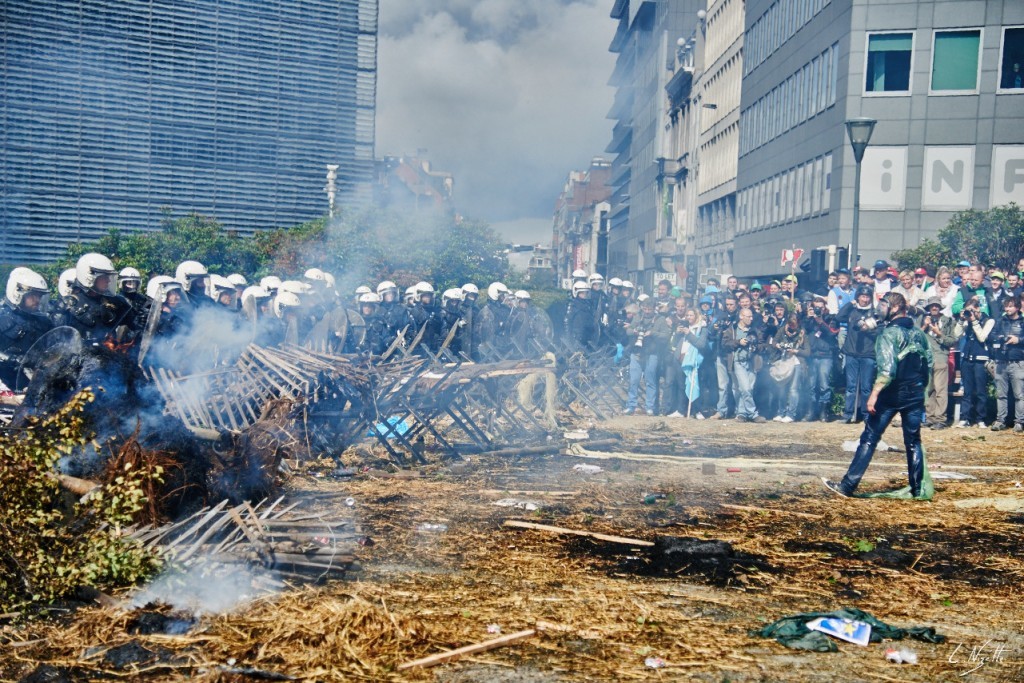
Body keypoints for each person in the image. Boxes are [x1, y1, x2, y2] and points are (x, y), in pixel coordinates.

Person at [823, 292, 932, 499]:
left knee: (869, 438)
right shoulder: (919, 333)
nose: (880, 309)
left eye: (884, 305)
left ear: (895, 308)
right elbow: (928, 364)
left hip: (892, 393)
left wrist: (873, 395)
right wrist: (921, 391)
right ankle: (918, 490)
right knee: (913, 441)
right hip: (915, 392)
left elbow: (887, 370)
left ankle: (847, 486)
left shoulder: (889, 334)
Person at [0, 268, 54, 391]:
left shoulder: (44, 321)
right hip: (6, 386)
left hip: (37, 385)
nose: (38, 300)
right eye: (33, 295)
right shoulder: (1, 317)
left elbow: (55, 344)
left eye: (40, 295)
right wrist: (11, 358)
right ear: (18, 292)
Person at [836, 285, 879, 423]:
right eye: (862, 296)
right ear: (858, 297)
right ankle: (848, 414)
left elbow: (880, 332)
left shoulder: (875, 313)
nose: (864, 299)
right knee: (851, 387)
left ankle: (866, 415)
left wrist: (869, 329)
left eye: (867, 297)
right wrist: (850, 304)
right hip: (851, 352)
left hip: (868, 353)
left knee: (866, 387)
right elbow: (839, 317)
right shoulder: (852, 310)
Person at [918, 297, 960, 430]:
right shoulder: (923, 319)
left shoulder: (948, 321)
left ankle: (940, 419)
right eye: (932, 306)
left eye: (936, 306)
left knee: (940, 389)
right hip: (926, 357)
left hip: (941, 356)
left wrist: (939, 333)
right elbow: (915, 337)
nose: (934, 308)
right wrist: (925, 326)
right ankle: (930, 418)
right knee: (929, 389)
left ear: (940, 307)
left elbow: (951, 341)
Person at [624, 297, 668, 415]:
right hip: (637, 352)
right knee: (634, 380)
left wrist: (653, 333)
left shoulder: (660, 319)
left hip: (652, 353)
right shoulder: (638, 317)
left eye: (649, 309)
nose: (647, 312)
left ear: (654, 309)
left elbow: (666, 336)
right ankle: (631, 405)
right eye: (645, 309)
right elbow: (628, 330)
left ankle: (650, 407)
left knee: (650, 380)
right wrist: (634, 331)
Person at [723, 307, 766, 423]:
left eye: (752, 316)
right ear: (741, 316)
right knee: (745, 389)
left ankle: (741, 413)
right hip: (738, 362)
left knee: (747, 389)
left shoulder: (755, 330)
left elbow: (763, 345)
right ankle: (753, 414)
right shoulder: (732, 329)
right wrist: (738, 342)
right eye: (748, 316)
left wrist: (756, 345)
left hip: (751, 362)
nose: (751, 319)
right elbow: (725, 344)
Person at [956, 297, 994, 428]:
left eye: (972, 310)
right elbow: (956, 335)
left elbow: (982, 337)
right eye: (968, 310)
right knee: (967, 390)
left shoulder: (988, 320)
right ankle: (965, 417)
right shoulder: (966, 320)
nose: (971, 313)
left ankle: (980, 419)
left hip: (980, 360)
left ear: (978, 309)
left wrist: (974, 321)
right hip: (967, 358)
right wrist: (962, 320)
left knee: (980, 391)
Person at [990, 294, 1024, 432]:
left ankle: (1019, 422)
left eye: (1010, 306)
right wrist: (999, 338)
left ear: (1017, 307)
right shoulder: (1000, 321)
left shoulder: (1022, 322)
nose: (1007, 309)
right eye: (1006, 306)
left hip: (1018, 362)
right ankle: (1000, 420)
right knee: (1001, 394)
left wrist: (1019, 340)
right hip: (1001, 361)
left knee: (1019, 394)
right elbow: (991, 335)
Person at [804, 296, 840, 421]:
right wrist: (808, 317)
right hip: (812, 355)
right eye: (816, 307)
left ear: (825, 307)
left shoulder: (831, 318)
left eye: (821, 307)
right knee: (811, 385)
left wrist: (820, 321)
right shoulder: (809, 319)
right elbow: (803, 330)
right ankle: (811, 412)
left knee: (824, 385)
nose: (818, 310)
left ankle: (823, 413)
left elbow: (831, 333)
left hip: (826, 355)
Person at [770, 313, 808, 422]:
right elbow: (774, 341)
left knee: (793, 389)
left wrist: (795, 351)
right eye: (790, 325)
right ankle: (781, 412)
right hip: (784, 363)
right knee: (782, 388)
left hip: (796, 363)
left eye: (794, 325)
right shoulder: (782, 330)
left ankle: (791, 414)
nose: (791, 327)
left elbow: (807, 351)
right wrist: (779, 346)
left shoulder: (802, 333)